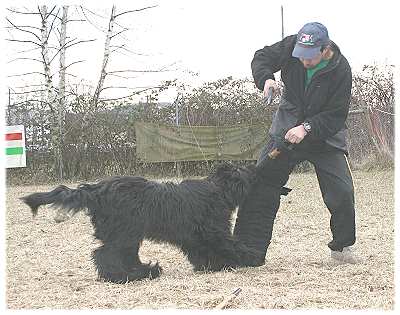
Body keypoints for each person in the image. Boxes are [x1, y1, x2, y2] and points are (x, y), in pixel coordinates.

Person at [234, 22, 359, 264]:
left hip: (324, 137)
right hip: (286, 128)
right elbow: (262, 57)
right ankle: (245, 249)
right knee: (260, 182)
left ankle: (342, 248)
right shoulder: (292, 45)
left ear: (325, 49)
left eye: (309, 58)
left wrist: (307, 128)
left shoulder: (341, 70)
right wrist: (266, 79)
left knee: (342, 192)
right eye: (300, 56)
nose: (303, 61)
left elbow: (336, 114)